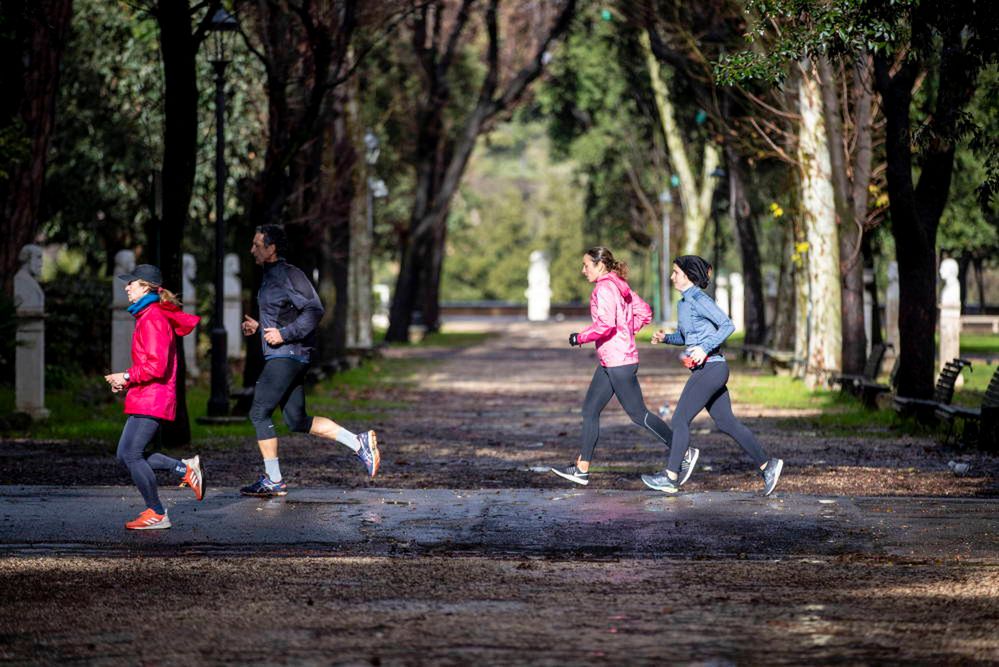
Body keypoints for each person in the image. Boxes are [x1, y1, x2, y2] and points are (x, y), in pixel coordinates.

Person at [239, 224, 380, 497]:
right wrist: (260, 327)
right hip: (286, 354)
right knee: (296, 420)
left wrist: (284, 334)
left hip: (288, 355)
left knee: (259, 412)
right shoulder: (270, 276)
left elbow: (314, 310)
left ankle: (274, 479)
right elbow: (283, 314)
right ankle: (358, 443)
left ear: (272, 248)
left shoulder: (290, 274)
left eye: (257, 245)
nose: (252, 249)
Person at [550, 247, 695, 486]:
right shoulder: (619, 284)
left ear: (600, 265)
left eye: (586, 265)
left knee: (639, 415)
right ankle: (581, 468)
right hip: (611, 360)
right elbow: (645, 312)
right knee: (589, 411)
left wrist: (580, 337)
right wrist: (628, 332)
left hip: (618, 362)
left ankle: (684, 451)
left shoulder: (604, 288)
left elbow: (605, 326)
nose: (583, 270)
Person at [642, 255, 783, 495]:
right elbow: (687, 339)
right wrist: (666, 338)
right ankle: (767, 465)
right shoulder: (684, 303)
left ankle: (671, 476)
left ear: (687, 275)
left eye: (675, 272)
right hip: (706, 370)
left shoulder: (698, 298)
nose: (671, 276)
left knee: (679, 420)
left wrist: (705, 348)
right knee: (727, 422)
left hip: (712, 368)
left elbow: (727, 325)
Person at [104, 264, 205, 530]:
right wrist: (126, 382)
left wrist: (126, 377)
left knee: (132, 455)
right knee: (125, 454)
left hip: (155, 397)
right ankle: (184, 470)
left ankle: (157, 513)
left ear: (146, 287)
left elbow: (157, 366)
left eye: (132, 283)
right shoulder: (147, 314)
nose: (126, 287)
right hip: (146, 394)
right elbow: (150, 364)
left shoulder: (153, 318)